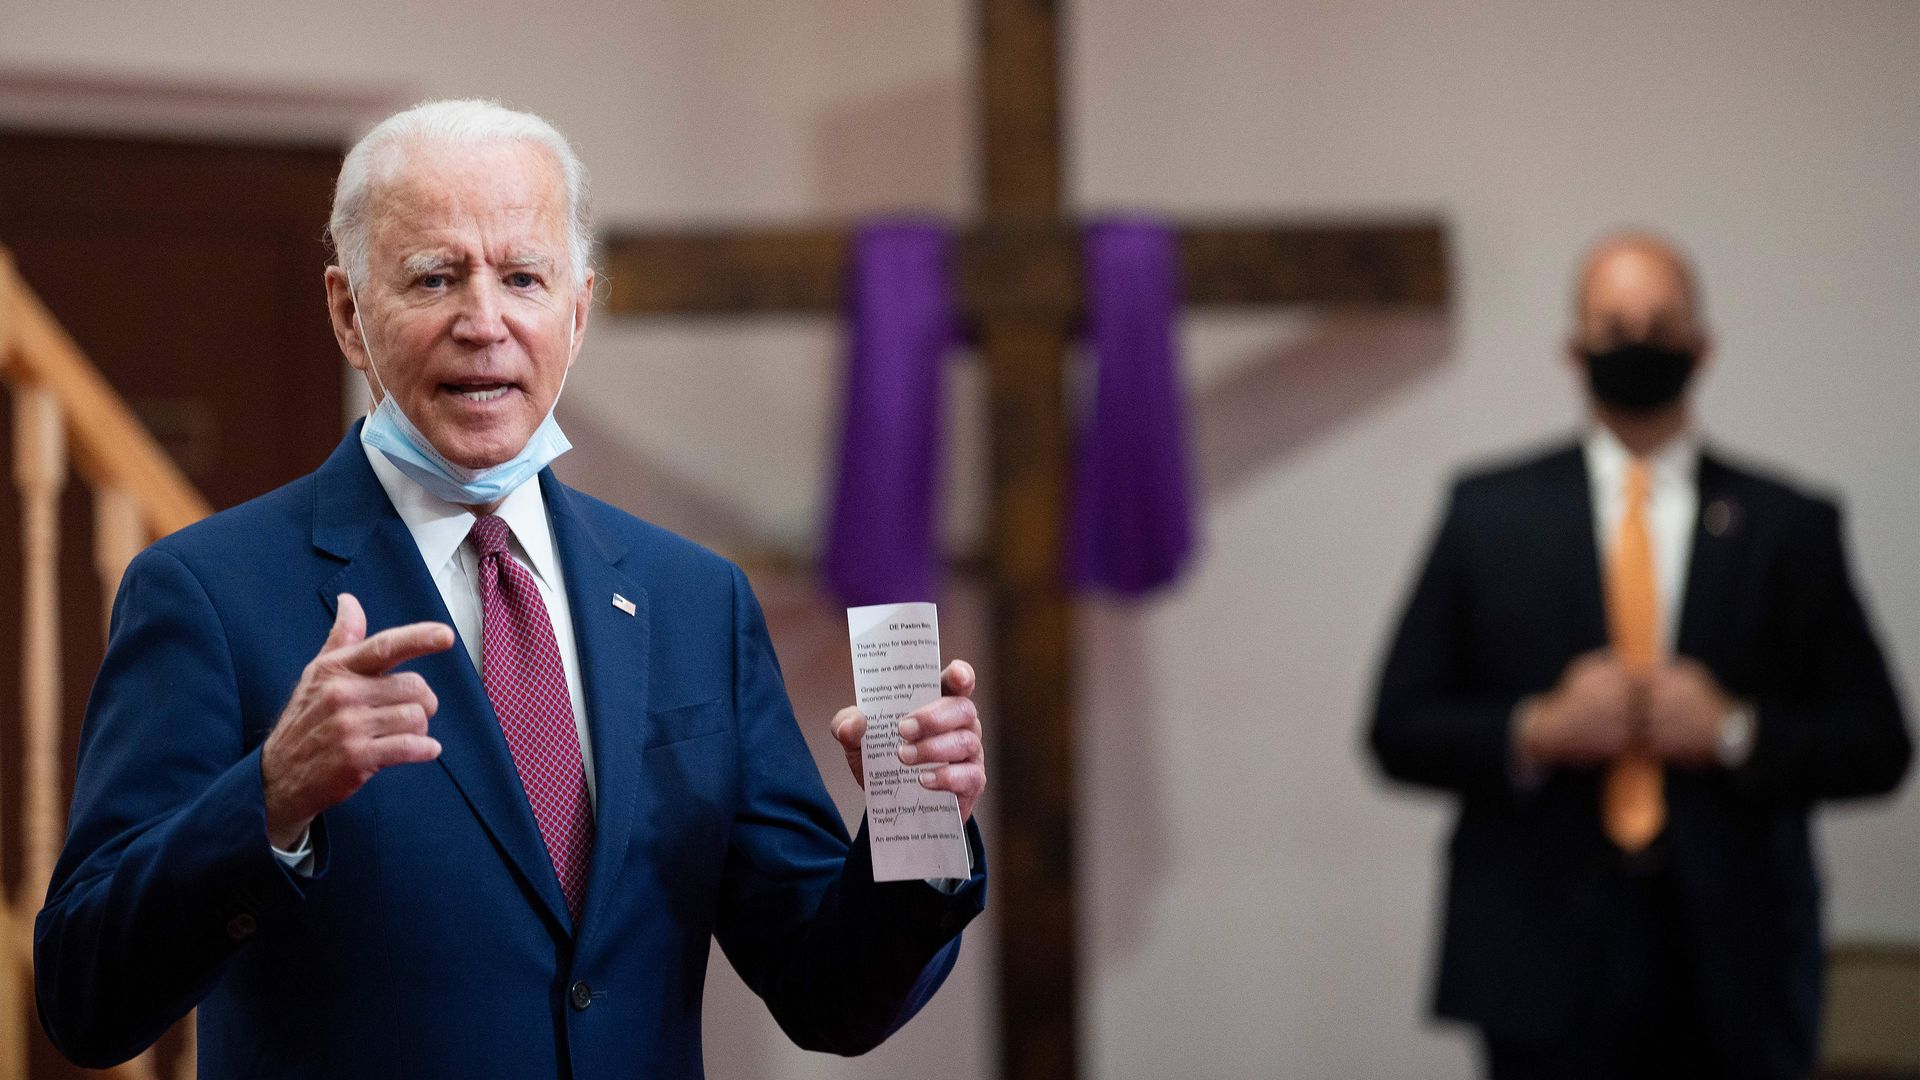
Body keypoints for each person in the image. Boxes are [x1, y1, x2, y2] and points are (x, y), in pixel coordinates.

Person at [34, 99, 988, 1079]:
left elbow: (830, 996)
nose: (482, 323)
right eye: (433, 277)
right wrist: (269, 798)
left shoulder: (694, 599)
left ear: (575, 314)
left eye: (523, 278)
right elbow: (87, 1001)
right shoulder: (205, 592)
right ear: (347, 312)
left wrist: (919, 827)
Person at [1368, 231, 1910, 1079]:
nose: (1637, 340)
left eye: (1660, 321)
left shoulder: (1787, 524)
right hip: (1540, 955)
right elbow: (1397, 727)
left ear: (1702, 346)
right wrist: (1536, 729)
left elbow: (1879, 744)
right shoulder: (1488, 514)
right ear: (1573, 348)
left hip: (1738, 959)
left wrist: (1735, 731)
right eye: (1613, 323)